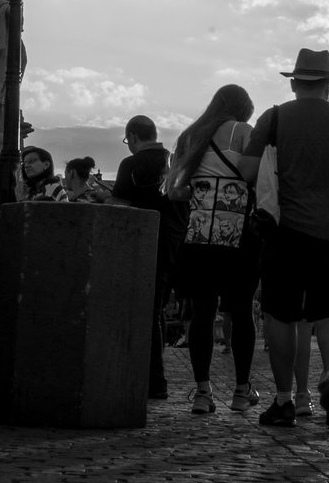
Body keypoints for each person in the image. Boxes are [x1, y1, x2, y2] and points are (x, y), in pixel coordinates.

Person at [238, 50, 329, 431]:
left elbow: (249, 171)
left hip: (286, 234)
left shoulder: (275, 117)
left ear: (295, 83)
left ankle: (284, 401)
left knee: (281, 315)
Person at [164, 84, 262, 415]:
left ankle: (203, 393)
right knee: (242, 311)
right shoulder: (242, 132)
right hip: (238, 233)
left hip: (200, 233)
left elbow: (174, 192)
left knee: (202, 312)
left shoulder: (191, 135)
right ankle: (240, 390)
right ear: (243, 109)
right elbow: (257, 178)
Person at [108, 116, 186, 401]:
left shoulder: (131, 165)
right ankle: (154, 375)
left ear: (132, 136)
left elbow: (120, 207)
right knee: (159, 308)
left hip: (146, 240)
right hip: (176, 240)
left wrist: (104, 198)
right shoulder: (174, 161)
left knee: (148, 310)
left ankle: (155, 381)